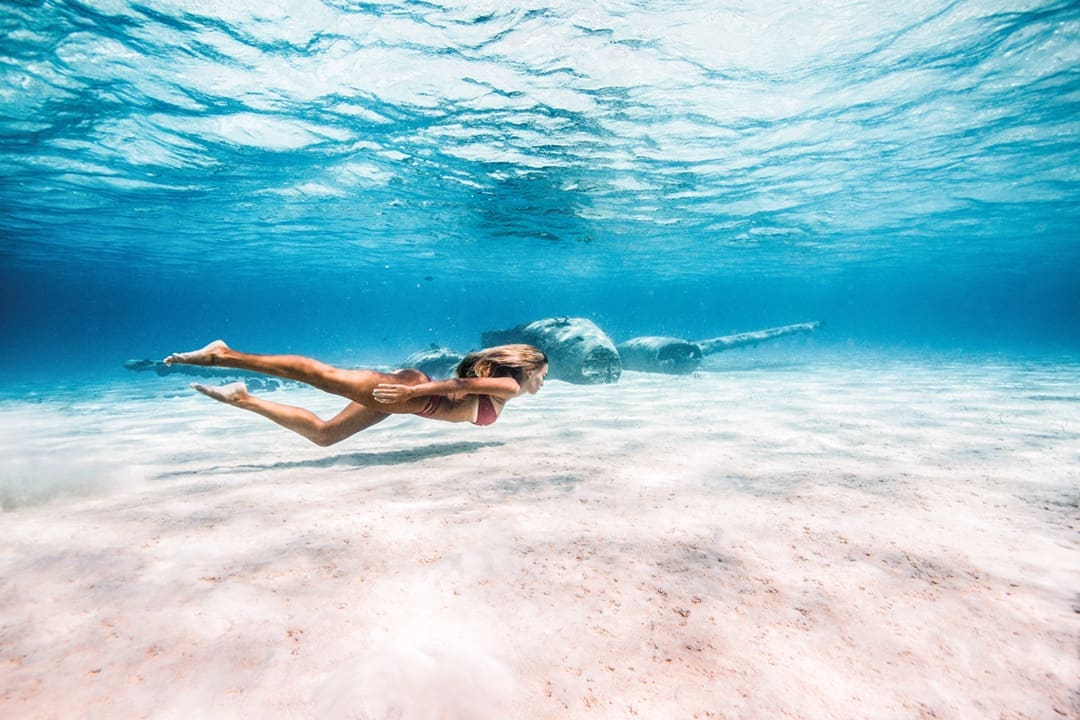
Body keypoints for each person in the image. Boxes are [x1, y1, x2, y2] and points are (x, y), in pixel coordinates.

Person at [163, 340, 549, 446]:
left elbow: (463, 387)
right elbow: (460, 385)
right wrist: (406, 394)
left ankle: (242, 397)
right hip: (410, 395)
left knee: (325, 435)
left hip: (410, 398)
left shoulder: (502, 391)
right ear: (526, 367)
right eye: (542, 375)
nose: (542, 383)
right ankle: (223, 355)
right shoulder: (510, 386)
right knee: (322, 375)